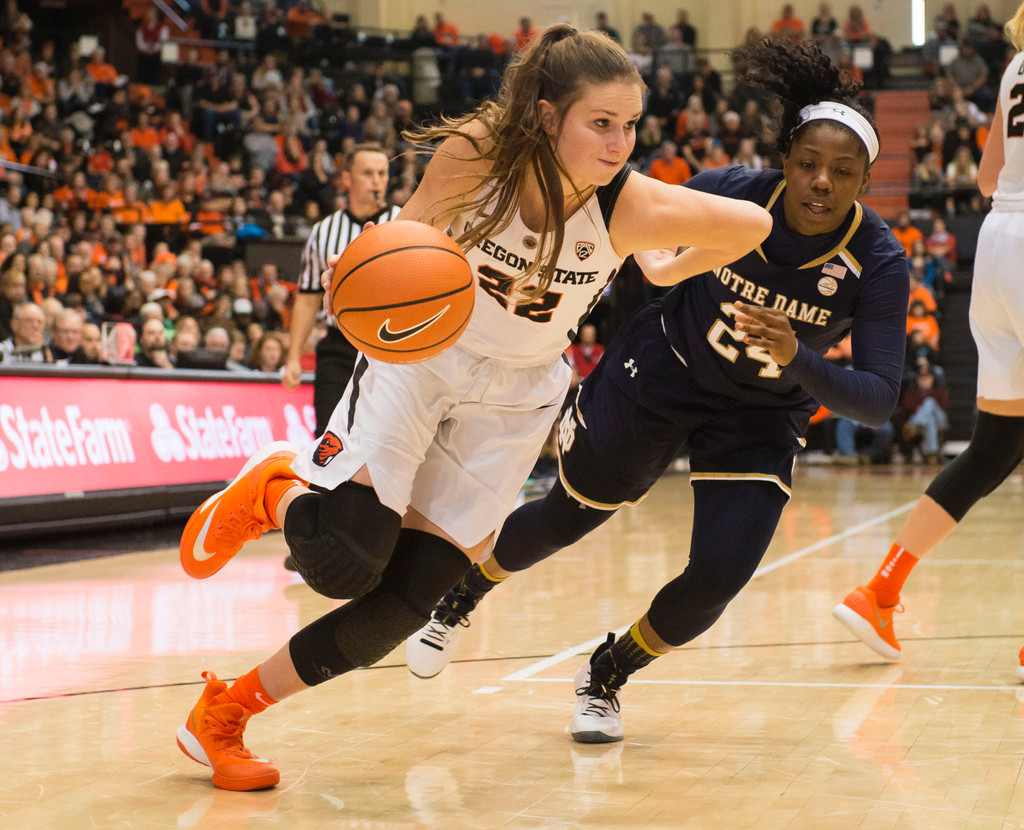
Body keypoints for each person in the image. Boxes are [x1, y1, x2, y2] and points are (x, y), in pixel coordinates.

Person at [173, 24, 772, 791]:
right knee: (342, 563)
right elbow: (405, 238)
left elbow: (752, 226)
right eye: (601, 122)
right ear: (549, 116)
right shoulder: (477, 157)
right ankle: (275, 489)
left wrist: (661, 265)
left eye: (629, 125)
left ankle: (225, 714)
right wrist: (377, 287)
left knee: (401, 606)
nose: (621, 142)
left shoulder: (628, 205)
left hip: (517, 397)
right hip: (425, 355)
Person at [404, 37, 909, 745]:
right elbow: (638, 234)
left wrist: (798, 358)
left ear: (866, 180)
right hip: (665, 371)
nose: (821, 182)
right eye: (808, 164)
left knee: (718, 578)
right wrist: (653, 262)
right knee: (567, 516)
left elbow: (881, 400)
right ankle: (461, 597)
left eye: (842, 171)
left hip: (762, 412)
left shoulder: (879, 262)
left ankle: (608, 672)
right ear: (785, 162)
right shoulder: (732, 190)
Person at [833, 2, 1024, 671]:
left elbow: (985, 177)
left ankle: (879, 590)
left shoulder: (1015, 69)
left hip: (1000, 249)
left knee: (995, 447)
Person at [282, 144, 401, 434]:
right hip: (339, 343)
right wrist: (293, 356)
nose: (377, 180)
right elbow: (308, 298)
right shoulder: (323, 231)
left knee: (384, 439)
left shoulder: (405, 223)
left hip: (391, 345)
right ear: (347, 179)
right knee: (328, 437)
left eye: (382, 173)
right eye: (368, 173)